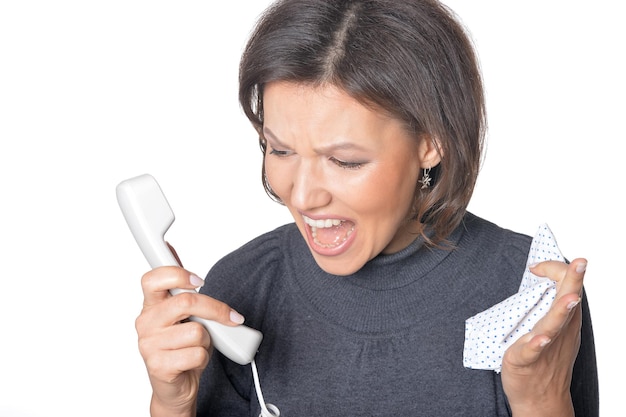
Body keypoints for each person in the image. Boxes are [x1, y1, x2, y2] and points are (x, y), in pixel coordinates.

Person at [135, 0, 599, 415]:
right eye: (279, 150)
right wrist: (172, 406)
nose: (301, 196)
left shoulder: (528, 292)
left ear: (430, 142)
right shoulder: (242, 288)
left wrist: (542, 402)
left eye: (344, 161)